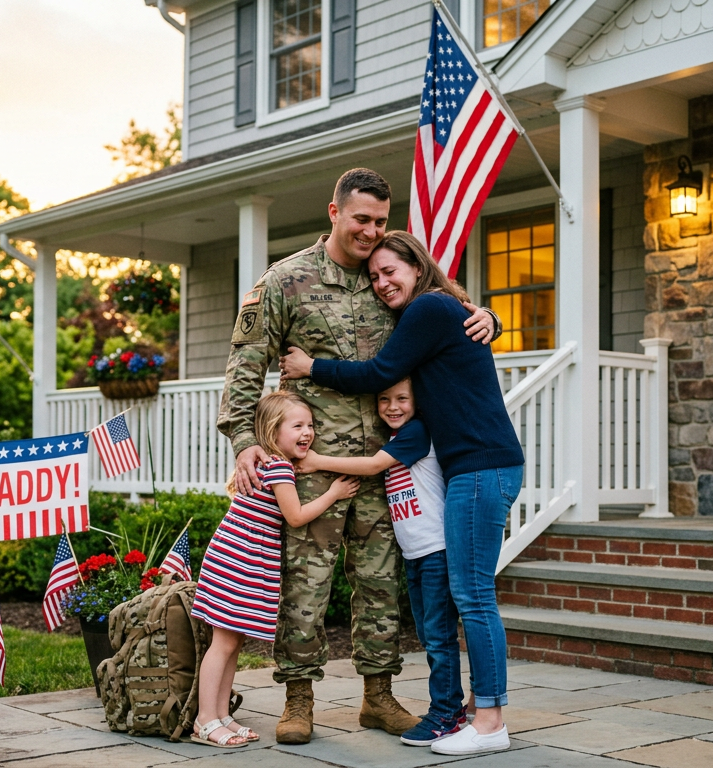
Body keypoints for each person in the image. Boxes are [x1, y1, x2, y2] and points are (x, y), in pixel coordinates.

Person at [216, 168, 501, 744]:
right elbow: (246, 362)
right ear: (334, 213)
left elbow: (451, 311)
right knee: (306, 582)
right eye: (360, 219)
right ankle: (298, 699)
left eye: (379, 221)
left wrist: (491, 318)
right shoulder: (285, 280)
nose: (371, 231)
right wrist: (244, 440)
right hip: (310, 466)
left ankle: (378, 695)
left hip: (386, 465)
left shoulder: (387, 282)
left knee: (381, 584)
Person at [279, 230, 524, 756]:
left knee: (475, 598)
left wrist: (310, 367)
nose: (382, 282)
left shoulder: (430, 308)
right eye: (374, 276)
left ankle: (490, 723)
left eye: (391, 271)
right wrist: (490, 316)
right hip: (472, 470)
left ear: (417, 267)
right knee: (468, 597)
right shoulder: (440, 309)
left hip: (483, 467)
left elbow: (380, 372)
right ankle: (466, 716)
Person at [297, 377, 464, 747]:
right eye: (384, 399)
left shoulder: (417, 432)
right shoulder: (396, 436)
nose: (392, 406)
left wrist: (315, 462)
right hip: (416, 555)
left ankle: (447, 713)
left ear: (417, 401)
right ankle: (449, 708)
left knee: (438, 637)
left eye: (402, 398)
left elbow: (373, 466)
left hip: (435, 551)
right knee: (428, 634)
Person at [190, 391, 360, 749]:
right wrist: (333, 493)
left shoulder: (269, 463)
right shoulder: (279, 467)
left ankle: (222, 715)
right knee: (222, 644)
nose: (307, 432)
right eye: (297, 425)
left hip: (240, 556)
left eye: (310, 425)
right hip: (240, 559)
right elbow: (295, 517)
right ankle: (204, 719)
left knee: (232, 641)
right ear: (272, 430)